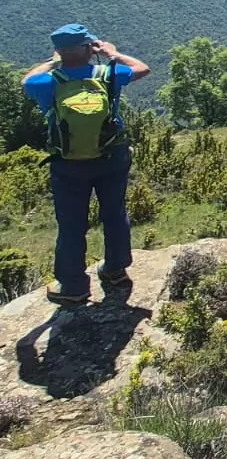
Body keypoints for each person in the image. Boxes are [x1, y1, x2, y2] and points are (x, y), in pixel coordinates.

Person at [22, 25, 151, 306]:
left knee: (71, 224)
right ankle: (115, 271)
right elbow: (142, 68)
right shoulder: (108, 74)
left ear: (60, 50)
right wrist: (111, 53)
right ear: (87, 48)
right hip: (110, 156)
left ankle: (73, 285)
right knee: (114, 212)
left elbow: (27, 80)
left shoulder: (48, 82)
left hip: (68, 164)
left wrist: (54, 60)